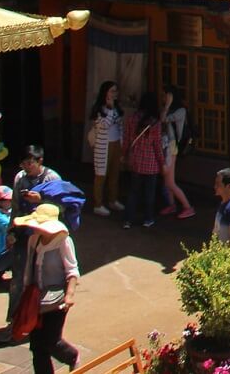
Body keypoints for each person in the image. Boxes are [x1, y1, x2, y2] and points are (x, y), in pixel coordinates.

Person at [15, 204, 79, 374]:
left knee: (52, 340)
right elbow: (29, 268)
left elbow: (72, 271)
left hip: (56, 300)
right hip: (36, 299)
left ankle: (72, 356)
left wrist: (69, 296)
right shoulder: (33, 240)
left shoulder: (64, 242)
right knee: (37, 346)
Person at [6, 148, 61, 327]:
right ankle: (14, 322)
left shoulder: (52, 179)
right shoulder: (19, 178)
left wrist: (41, 200)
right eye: (23, 163)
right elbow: (15, 206)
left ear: (40, 161)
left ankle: (40, 321)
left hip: (45, 236)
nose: (26, 167)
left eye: (30, 163)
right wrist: (11, 231)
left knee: (42, 279)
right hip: (24, 234)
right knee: (18, 280)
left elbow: (62, 206)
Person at [121, 92, 164, 229]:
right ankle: (148, 219)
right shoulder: (155, 122)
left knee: (133, 192)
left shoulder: (132, 118)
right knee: (149, 193)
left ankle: (127, 220)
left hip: (135, 161)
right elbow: (157, 145)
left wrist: (124, 154)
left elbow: (127, 139)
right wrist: (162, 163)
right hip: (151, 163)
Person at [86, 83, 125, 218]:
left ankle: (112, 200)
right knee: (101, 175)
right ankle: (98, 204)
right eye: (112, 91)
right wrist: (109, 109)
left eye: (116, 91)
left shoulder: (117, 109)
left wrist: (122, 145)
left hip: (115, 144)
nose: (114, 93)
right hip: (103, 145)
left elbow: (120, 127)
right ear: (105, 93)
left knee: (115, 174)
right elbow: (104, 125)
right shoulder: (99, 109)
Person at [158, 85, 194, 219]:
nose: (163, 98)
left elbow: (163, 119)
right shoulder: (170, 110)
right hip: (167, 145)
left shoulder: (180, 111)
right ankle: (171, 204)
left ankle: (187, 207)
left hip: (172, 147)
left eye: (166, 95)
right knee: (167, 180)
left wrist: (167, 106)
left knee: (169, 182)